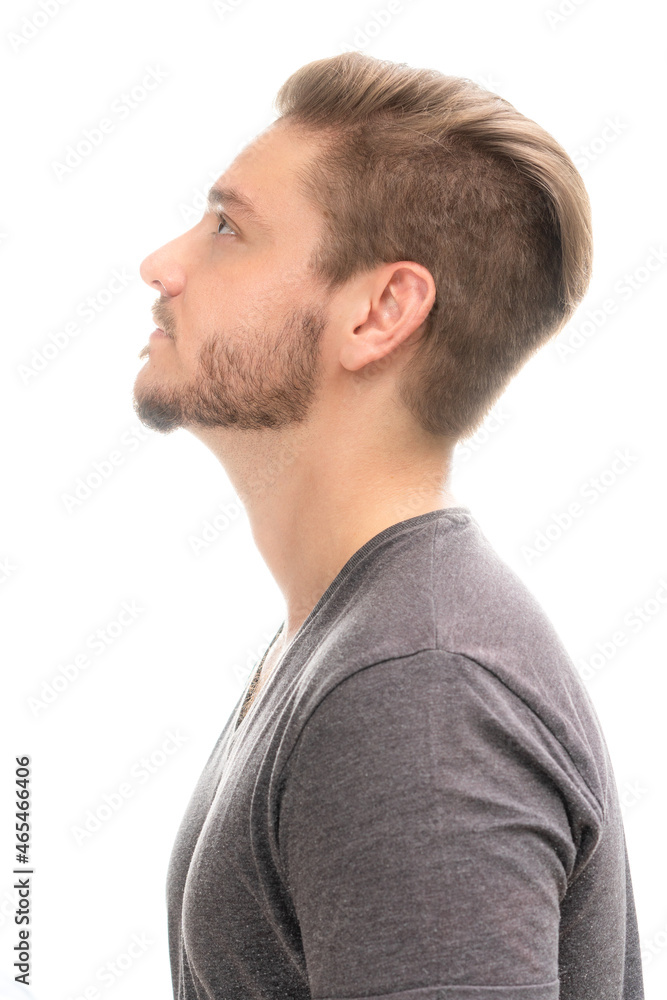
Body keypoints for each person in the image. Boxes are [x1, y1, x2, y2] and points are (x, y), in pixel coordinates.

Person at [132, 51, 644, 1000]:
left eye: (227, 229)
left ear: (379, 312)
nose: (162, 266)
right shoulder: (355, 640)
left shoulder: (415, 690)